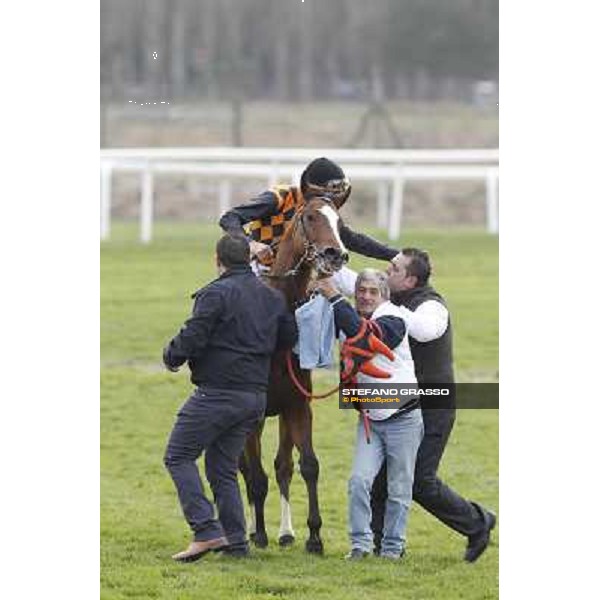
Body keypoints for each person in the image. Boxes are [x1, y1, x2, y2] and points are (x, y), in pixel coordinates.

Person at [162, 234, 298, 562]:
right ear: (249, 261)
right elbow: (289, 337)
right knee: (221, 467)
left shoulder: (214, 293)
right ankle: (236, 543)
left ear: (217, 259)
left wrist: (172, 356)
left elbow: (194, 335)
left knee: (178, 456)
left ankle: (206, 531)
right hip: (254, 398)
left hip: (218, 394)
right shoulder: (272, 297)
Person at [369, 248, 496, 563]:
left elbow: (425, 331)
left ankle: (478, 523)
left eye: (394, 269)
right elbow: (354, 283)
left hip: (435, 405)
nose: (387, 273)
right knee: (380, 477)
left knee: (419, 481)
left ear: (410, 279)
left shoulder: (431, 306)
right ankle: (383, 548)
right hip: (405, 405)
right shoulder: (397, 298)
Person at [316, 269, 424, 560]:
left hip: (404, 419)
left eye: (372, 291)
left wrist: (333, 295)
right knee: (359, 481)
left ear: (384, 296)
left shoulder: (394, 320)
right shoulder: (353, 318)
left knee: (399, 489)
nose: (365, 295)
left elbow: (362, 338)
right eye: (361, 289)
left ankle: (392, 549)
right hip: (370, 423)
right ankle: (360, 547)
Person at [219, 157, 399, 270]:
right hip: (260, 268)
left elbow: (350, 239)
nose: (335, 200)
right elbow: (229, 218)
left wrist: (394, 255)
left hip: (300, 269)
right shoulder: (280, 197)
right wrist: (252, 245)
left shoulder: (324, 212)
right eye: (331, 193)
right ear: (311, 189)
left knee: (358, 284)